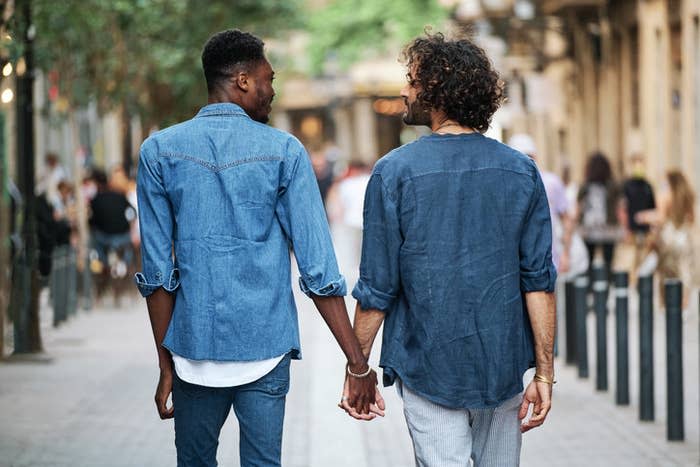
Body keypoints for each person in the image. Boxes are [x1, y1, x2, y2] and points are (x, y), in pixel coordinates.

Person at [134, 29, 379, 467]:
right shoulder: (284, 151)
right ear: (243, 80)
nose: (272, 91)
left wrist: (165, 363)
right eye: (268, 79)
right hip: (265, 349)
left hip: (191, 353)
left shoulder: (159, 151)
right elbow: (319, 271)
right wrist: (356, 363)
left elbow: (156, 274)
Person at [340, 33, 557, 467]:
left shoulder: (393, 172)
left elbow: (378, 288)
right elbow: (539, 282)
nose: (404, 90)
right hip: (502, 365)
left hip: (428, 364)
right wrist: (545, 373)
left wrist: (357, 368)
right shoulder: (521, 171)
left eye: (412, 81)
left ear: (436, 89)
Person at [507, 134, 573, 274]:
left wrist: (566, 254)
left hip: (548, 259)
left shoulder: (551, 182)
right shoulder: (506, 186)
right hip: (517, 263)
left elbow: (567, 219)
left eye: (528, 156)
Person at [637, 170, 695, 308]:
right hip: (683, 238)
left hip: (668, 239)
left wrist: (644, 217)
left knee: (667, 274)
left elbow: (660, 217)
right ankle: (683, 303)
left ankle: (670, 307)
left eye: (664, 184)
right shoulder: (686, 197)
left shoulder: (665, 197)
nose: (662, 188)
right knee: (683, 272)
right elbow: (691, 219)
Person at [577, 152, 621, 281]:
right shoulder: (612, 186)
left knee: (588, 260)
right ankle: (605, 287)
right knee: (608, 261)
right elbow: (619, 205)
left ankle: (590, 289)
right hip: (608, 228)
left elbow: (579, 206)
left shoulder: (585, 186)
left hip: (588, 228)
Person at [619, 154, 655, 282]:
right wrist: (625, 227)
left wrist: (652, 228)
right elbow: (623, 207)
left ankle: (642, 282)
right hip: (632, 229)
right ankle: (632, 282)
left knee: (644, 258)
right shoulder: (627, 186)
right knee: (631, 258)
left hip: (646, 230)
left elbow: (653, 207)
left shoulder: (648, 186)